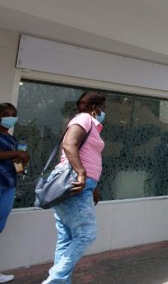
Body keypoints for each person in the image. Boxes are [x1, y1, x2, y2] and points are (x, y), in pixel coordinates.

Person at [43, 92, 106, 284]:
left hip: (81, 183)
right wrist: (82, 173)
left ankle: (60, 281)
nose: (105, 112)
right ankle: (54, 280)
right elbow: (69, 144)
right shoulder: (84, 118)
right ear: (95, 107)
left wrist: (93, 184)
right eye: (104, 108)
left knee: (67, 236)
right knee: (87, 233)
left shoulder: (90, 124)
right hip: (76, 183)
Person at [0, 103, 30, 283]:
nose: (10, 117)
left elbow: (17, 166)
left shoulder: (12, 139)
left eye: (13, 114)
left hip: (9, 186)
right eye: (5, 114)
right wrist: (16, 153)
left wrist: (22, 163)